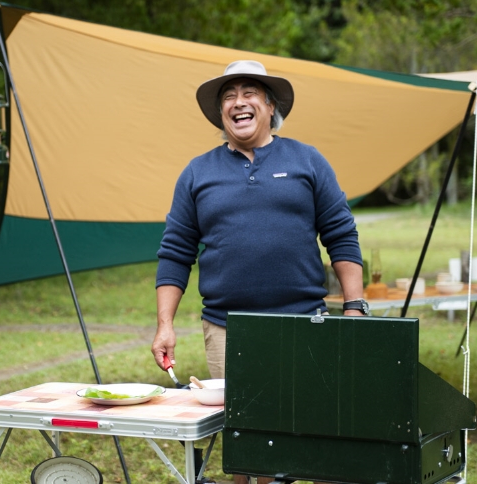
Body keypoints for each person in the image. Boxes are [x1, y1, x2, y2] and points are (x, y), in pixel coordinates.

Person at [150, 60, 367, 484]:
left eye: (249, 93)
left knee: (316, 434)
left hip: (306, 321)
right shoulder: (197, 172)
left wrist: (355, 307)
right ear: (220, 114)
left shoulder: (307, 160)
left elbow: (341, 234)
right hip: (228, 328)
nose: (238, 102)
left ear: (270, 106)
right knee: (250, 437)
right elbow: (176, 252)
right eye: (228, 96)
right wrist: (164, 325)